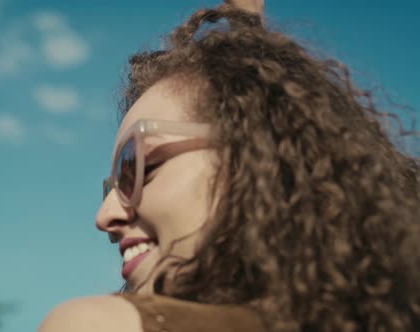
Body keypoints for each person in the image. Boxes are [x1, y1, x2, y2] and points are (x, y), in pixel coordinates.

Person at [39, 1, 420, 331]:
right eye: (112, 188)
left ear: (259, 163)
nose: (104, 217)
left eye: (139, 167)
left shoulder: (95, 325)